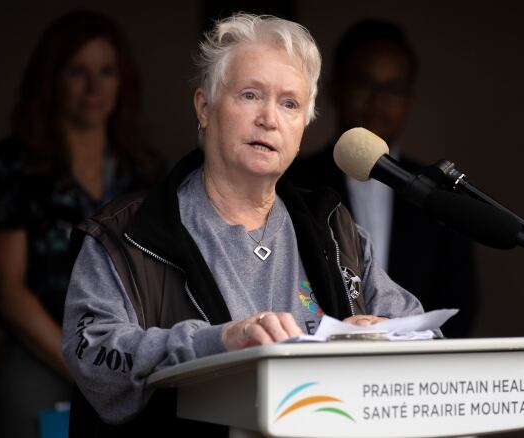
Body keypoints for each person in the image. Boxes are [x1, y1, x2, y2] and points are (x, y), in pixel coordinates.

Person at [61, 13, 427, 436]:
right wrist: (217, 343)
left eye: (289, 104)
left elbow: (416, 328)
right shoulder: (126, 234)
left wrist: (383, 336)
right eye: (251, 95)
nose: (269, 118)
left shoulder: (331, 224)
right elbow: (94, 355)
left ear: (303, 127)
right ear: (204, 107)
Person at [0, 10, 159, 438]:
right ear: (52, 79)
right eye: (77, 72)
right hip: (41, 355)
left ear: (122, 82)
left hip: (128, 359)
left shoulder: (146, 173)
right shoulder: (12, 166)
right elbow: (6, 291)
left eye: (106, 71)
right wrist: (82, 364)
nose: (93, 87)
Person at [287, 19, 479, 338]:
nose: (378, 100)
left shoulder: (441, 193)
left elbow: (461, 300)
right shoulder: (294, 181)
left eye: (394, 88)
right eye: (364, 83)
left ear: (409, 98)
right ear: (335, 88)